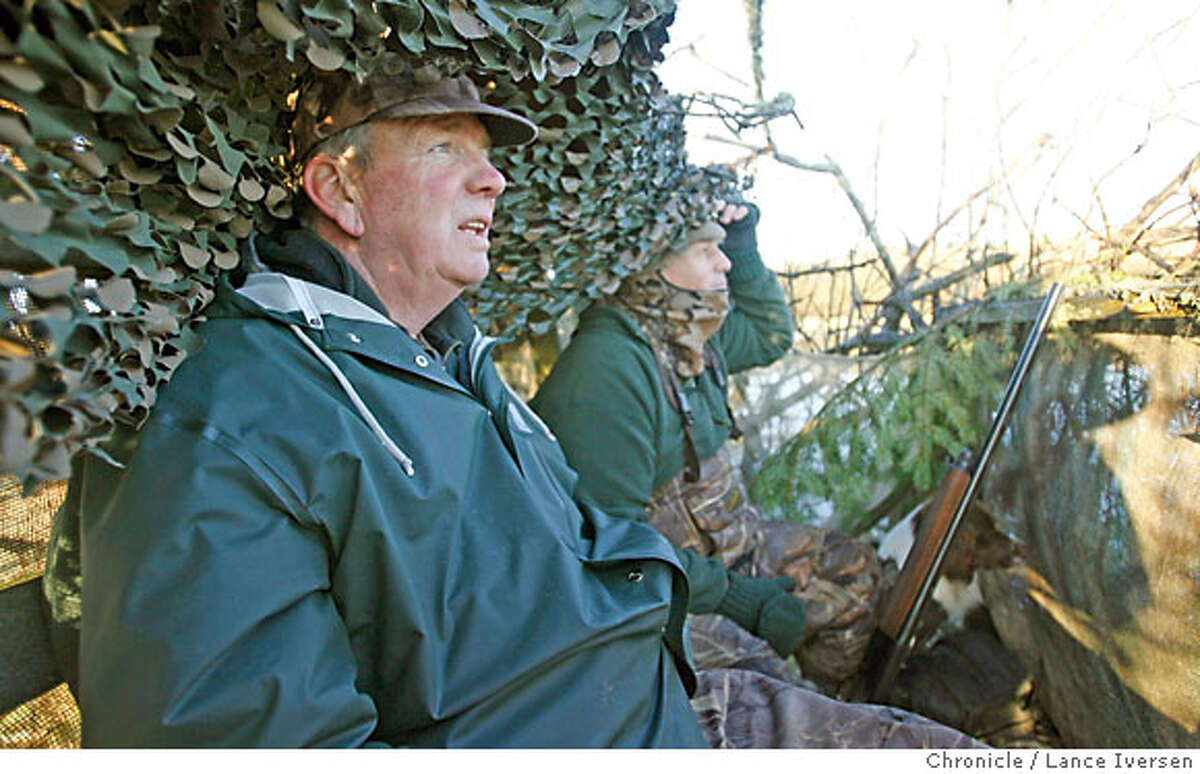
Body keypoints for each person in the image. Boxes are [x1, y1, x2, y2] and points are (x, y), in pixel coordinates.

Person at [43, 63, 979, 748]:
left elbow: (588, 543)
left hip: (666, 705)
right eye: (447, 148)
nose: (492, 179)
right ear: (340, 189)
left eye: (488, 157)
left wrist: (717, 611)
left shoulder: (459, 359)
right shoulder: (234, 410)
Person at [530, 202, 888, 696]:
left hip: (737, 546)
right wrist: (741, 600)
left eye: (722, 250)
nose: (724, 264)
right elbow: (611, 547)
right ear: (649, 262)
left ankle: (840, 704)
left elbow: (770, 335)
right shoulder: (607, 370)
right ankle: (816, 718)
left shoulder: (687, 330)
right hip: (669, 588)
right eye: (706, 251)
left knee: (854, 567)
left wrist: (743, 242)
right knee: (770, 688)